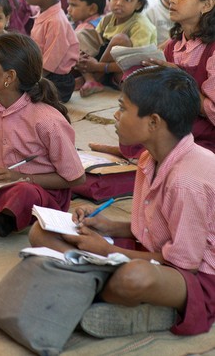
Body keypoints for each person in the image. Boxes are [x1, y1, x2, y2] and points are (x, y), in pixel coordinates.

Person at [30, 66, 215, 338]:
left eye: (123, 108)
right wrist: (106, 226)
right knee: (41, 232)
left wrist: (104, 252)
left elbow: (183, 263)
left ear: (153, 122)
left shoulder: (187, 181)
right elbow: (156, 229)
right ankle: (99, 288)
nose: (115, 116)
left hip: (199, 275)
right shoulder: (148, 158)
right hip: (153, 251)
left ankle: (153, 307)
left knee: (134, 278)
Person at [0, 32, 84, 237]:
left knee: (22, 193)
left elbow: (76, 178)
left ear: (9, 77)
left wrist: (23, 178)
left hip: (42, 193)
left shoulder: (46, 120)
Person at [146, 0, 215, 153]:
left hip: (206, 132)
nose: (172, 0)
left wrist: (181, 81)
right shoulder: (173, 45)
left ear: (207, 5)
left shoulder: (212, 50)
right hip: (178, 123)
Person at [77, 0, 157, 96]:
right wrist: (84, 59)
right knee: (81, 35)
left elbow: (137, 63)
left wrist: (98, 67)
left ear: (139, 4)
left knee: (120, 39)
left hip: (127, 71)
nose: (119, 3)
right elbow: (96, 44)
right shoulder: (108, 19)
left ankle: (93, 79)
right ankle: (90, 79)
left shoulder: (141, 26)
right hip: (104, 67)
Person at [23, 0, 79, 102]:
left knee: (21, 96)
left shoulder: (56, 22)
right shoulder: (43, 12)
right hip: (41, 73)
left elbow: (49, 63)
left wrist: (28, 83)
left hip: (57, 82)